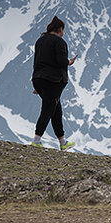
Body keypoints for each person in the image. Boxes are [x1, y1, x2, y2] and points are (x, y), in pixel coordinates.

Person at [31, 15, 76, 150]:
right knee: (47, 110)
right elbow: (61, 60)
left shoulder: (40, 41)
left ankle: (62, 142)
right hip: (53, 81)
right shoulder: (59, 42)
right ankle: (36, 140)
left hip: (38, 78)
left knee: (56, 110)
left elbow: (38, 61)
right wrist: (69, 62)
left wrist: (39, 85)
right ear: (60, 29)